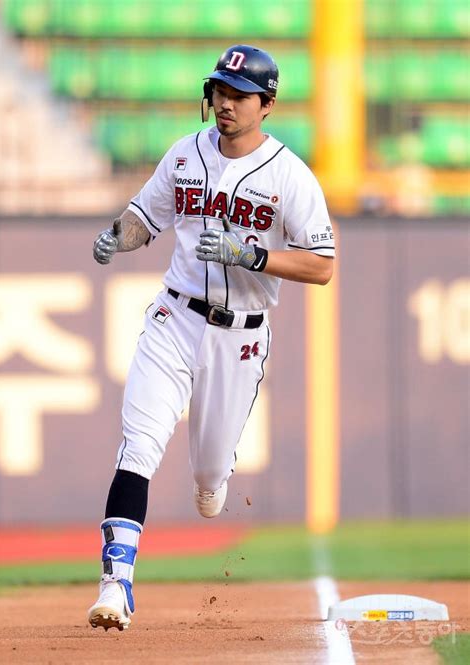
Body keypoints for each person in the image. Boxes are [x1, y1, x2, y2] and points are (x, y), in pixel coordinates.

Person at [88, 44, 335, 631]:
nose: (224, 102)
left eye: (238, 94)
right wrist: (113, 237)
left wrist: (252, 254)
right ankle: (115, 586)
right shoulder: (185, 154)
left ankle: (212, 480)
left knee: (208, 474)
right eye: (219, 90)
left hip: (239, 339)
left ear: (267, 103)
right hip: (174, 319)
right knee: (139, 445)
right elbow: (143, 220)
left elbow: (322, 264)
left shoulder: (289, 176)